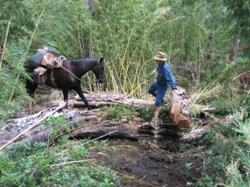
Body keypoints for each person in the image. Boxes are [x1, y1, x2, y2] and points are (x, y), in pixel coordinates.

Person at [148, 51, 178, 124]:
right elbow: (158, 67)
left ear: (160, 60)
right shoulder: (160, 64)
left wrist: (174, 88)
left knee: (157, 102)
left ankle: (155, 117)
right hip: (158, 83)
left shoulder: (165, 68)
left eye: (156, 59)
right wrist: (155, 70)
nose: (155, 60)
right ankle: (161, 99)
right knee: (150, 90)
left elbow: (171, 78)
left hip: (163, 86)